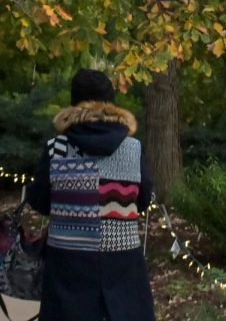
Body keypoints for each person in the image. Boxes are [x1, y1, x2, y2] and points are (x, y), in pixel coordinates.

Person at [25, 69, 155, 321]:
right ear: (111, 103)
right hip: (122, 260)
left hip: (67, 262)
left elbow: (39, 201)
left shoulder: (56, 148)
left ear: (74, 104)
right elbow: (144, 199)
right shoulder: (132, 148)